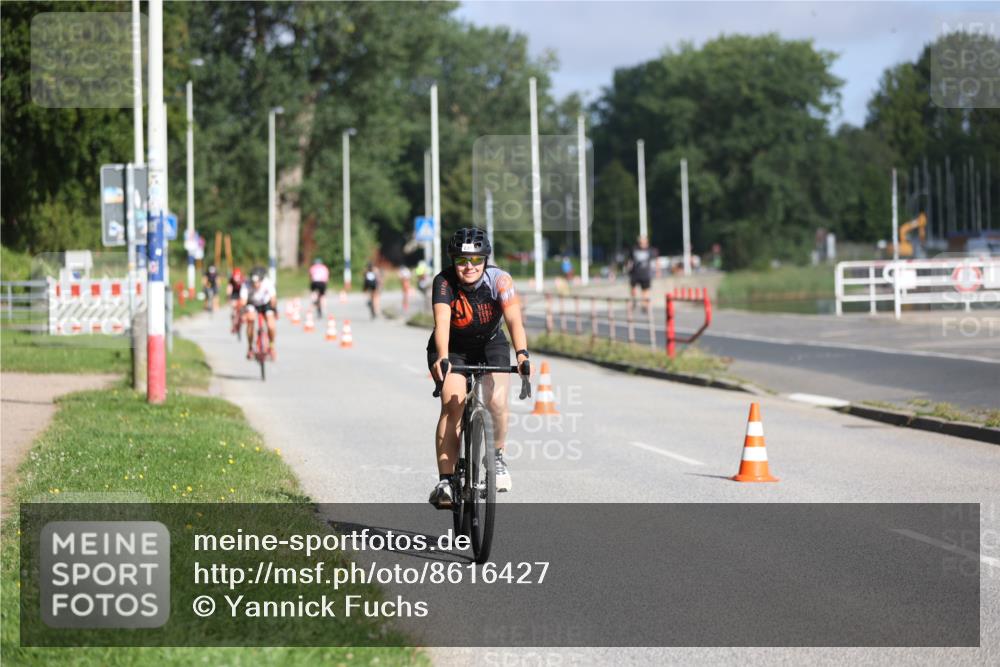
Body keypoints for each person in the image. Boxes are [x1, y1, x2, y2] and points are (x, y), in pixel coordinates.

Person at [426, 227, 530, 509]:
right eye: (462, 260)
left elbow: (514, 319)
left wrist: (522, 354)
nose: (469, 266)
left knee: (497, 400)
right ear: (453, 261)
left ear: (485, 260)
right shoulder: (444, 282)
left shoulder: (500, 280)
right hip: (452, 346)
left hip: (490, 343)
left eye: (476, 260)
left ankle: (496, 458)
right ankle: (446, 480)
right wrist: (443, 357)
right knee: (453, 402)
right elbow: (442, 322)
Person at [241, 267, 278, 361]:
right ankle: (250, 347)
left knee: (271, 325)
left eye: (258, 282)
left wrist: (274, 310)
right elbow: (243, 301)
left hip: (266, 303)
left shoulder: (267, 283)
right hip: (252, 303)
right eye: (254, 282)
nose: (256, 285)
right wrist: (243, 313)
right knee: (250, 319)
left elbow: (273, 298)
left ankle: (271, 346)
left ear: (262, 280)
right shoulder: (246, 284)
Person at [626, 235, 653, 313]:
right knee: (633, 289)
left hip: (645, 274)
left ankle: (644, 305)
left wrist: (657, 271)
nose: (642, 243)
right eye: (641, 242)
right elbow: (629, 260)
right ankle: (634, 301)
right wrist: (628, 268)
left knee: (645, 291)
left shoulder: (649, 250)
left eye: (644, 242)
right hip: (635, 273)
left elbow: (655, 260)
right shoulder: (634, 249)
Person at [226, 267, 245, 335]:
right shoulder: (231, 281)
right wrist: (228, 297)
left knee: (242, 307)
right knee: (233, 310)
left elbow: (245, 291)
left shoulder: (243, 280)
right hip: (234, 294)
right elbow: (229, 289)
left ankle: (241, 317)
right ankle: (233, 324)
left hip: (242, 294)